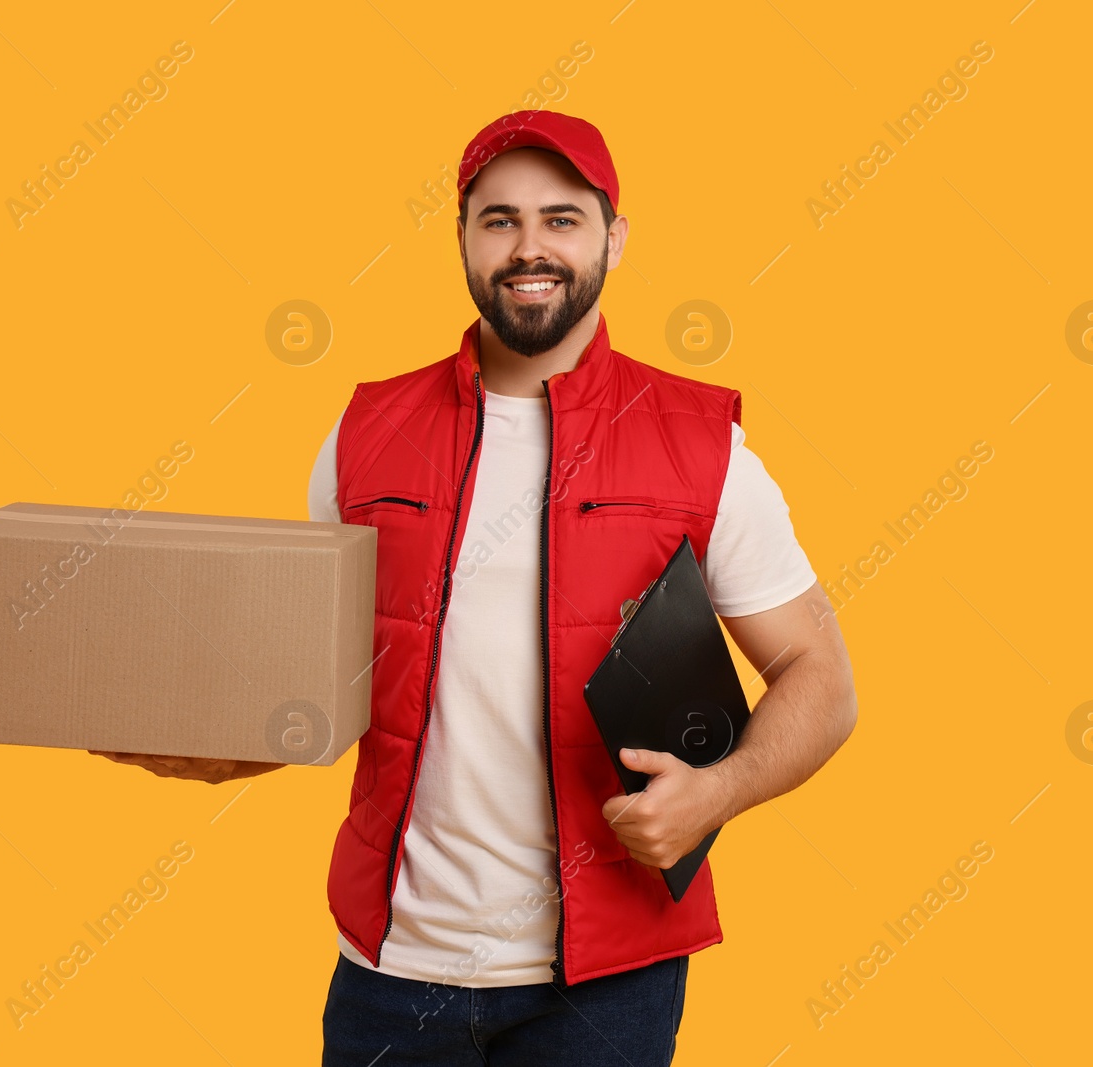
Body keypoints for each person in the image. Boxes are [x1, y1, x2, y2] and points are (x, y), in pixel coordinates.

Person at [95, 110, 857, 1066]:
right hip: (391, 968)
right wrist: (213, 750)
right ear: (461, 236)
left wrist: (717, 792)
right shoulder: (367, 433)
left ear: (614, 238)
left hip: (604, 986)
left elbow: (820, 676)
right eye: (498, 220)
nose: (528, 247)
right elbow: (313, 687)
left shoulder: (703, 446)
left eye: (561, 219)